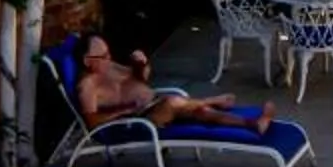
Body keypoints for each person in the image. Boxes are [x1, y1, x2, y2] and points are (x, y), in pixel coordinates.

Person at [76, 35, 277, 138]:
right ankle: (214, 100)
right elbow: (92, 123)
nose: (109, 58)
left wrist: (141, 64)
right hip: (136, 123)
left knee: (202, 112)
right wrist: (125, 110)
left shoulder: (109, 67)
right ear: (87, 61)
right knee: (173, 102)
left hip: (152, 106)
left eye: (108, 53)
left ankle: (253, 124)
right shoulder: (88, 87)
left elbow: (140, 79)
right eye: (103, 56)